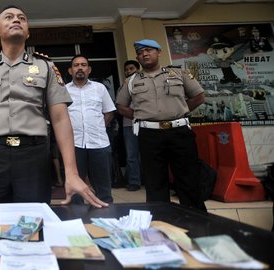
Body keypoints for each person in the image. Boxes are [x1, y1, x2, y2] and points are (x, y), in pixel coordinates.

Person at [0, 5, 107, 207]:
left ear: (28, 31)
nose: (16, 20)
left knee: (33, 221)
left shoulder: (46, 66)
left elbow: (60, 118)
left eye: (22, 18)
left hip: (34, 156)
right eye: (9, 17)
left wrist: (72, 172)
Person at [116, 39, 206, 211]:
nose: (145, 54)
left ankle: (197, 220)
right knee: (155, 182)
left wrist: (180, 110)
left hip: (179, 132)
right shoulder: (132, 80)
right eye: (141, 52)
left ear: (159, 52)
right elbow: (121, 106)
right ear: (138, 57)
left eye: (149, 50)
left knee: (188, 179)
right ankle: (161, 220)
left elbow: (199, 96)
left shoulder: (178, 73)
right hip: (150, 136)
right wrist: (141, 116)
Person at [66, 55, 115, 204]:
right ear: (70, 70)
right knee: (75, 191)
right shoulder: (63, 90)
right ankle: (76, 221)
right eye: (76, 65)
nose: (80, 68)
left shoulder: (99, 88)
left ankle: (105, 220)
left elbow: (109, 112)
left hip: (99, 143)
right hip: (73, 145)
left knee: (104, 189)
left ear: (89, 69)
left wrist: (98, 128)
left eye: (83, 65)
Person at [120, 60, 142, 192]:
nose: (129, 71)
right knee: (131, 155)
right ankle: (134, 181)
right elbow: (119, 104)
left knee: (148, 154)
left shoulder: (144, 83)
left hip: (146, 123)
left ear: (138, 69)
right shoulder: (123, 86)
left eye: (131, 68)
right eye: (126, 69)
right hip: (129, 124)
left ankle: (148, 180)